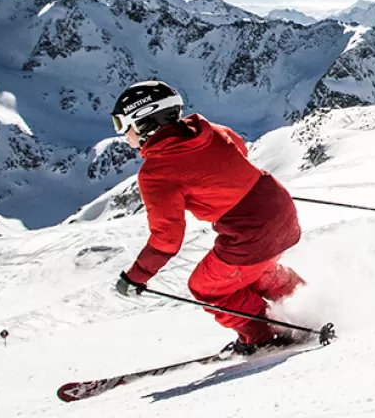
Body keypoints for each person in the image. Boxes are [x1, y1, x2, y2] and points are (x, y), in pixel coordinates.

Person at [109, 80, 306, 354]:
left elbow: (166, 239)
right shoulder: (209, 130)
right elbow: (239, 150)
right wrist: (222, 187)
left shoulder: (156, 171)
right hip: (279, 206)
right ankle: (306, 304)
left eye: (121, 124)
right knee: (252, 272)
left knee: (207, 286)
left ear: (144, 122)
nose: (122, 133)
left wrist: (135, 277)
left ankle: (263, 336)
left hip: (251, 232)